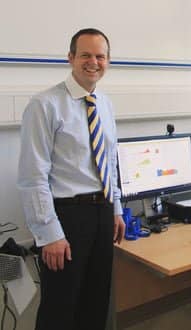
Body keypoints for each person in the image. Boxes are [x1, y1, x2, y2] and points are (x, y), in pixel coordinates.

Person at [17, 28, 125, 330]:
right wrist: (49, 233)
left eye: (100, 56)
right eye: (86, 55)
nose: (94, 62)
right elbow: (32, 176)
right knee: (60, 309)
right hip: (67, 217)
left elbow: (111, 162)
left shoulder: (105, 104)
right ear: (70, 58)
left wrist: (115, 209)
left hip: (102, 213)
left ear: (108, 61)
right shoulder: (44, 105)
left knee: (96, 303)